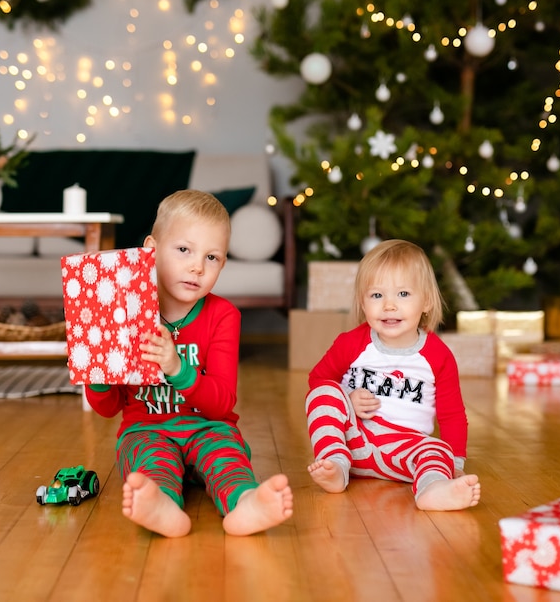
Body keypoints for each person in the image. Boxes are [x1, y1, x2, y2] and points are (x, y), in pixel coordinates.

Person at [84, 189, 294, 537]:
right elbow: (107, 409)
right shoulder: (125, 312)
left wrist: (178, 369)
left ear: (223, 264)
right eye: (184, 250)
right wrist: (98, 375)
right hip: (146, 430)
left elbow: (222, 403)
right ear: (150, 250)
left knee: (226, 454)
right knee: (150, 462)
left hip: (208, 427)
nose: (198, 266)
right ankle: (163, 506)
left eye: (212, 258)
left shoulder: (224, 316)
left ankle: (245, 503)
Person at [305, 239, 481, 511]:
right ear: (362, 302)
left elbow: (452, 415)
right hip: (354, 442)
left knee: (437, 452)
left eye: (403, 294)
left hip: (406, 450)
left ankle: (432, 489)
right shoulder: (351, 343)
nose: (389, 306)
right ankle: (335, 465)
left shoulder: (438, 355)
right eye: (377, 296)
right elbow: (318, 381)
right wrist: (347, 400)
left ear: (427, 301)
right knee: (322, 393)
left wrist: (454, 463)